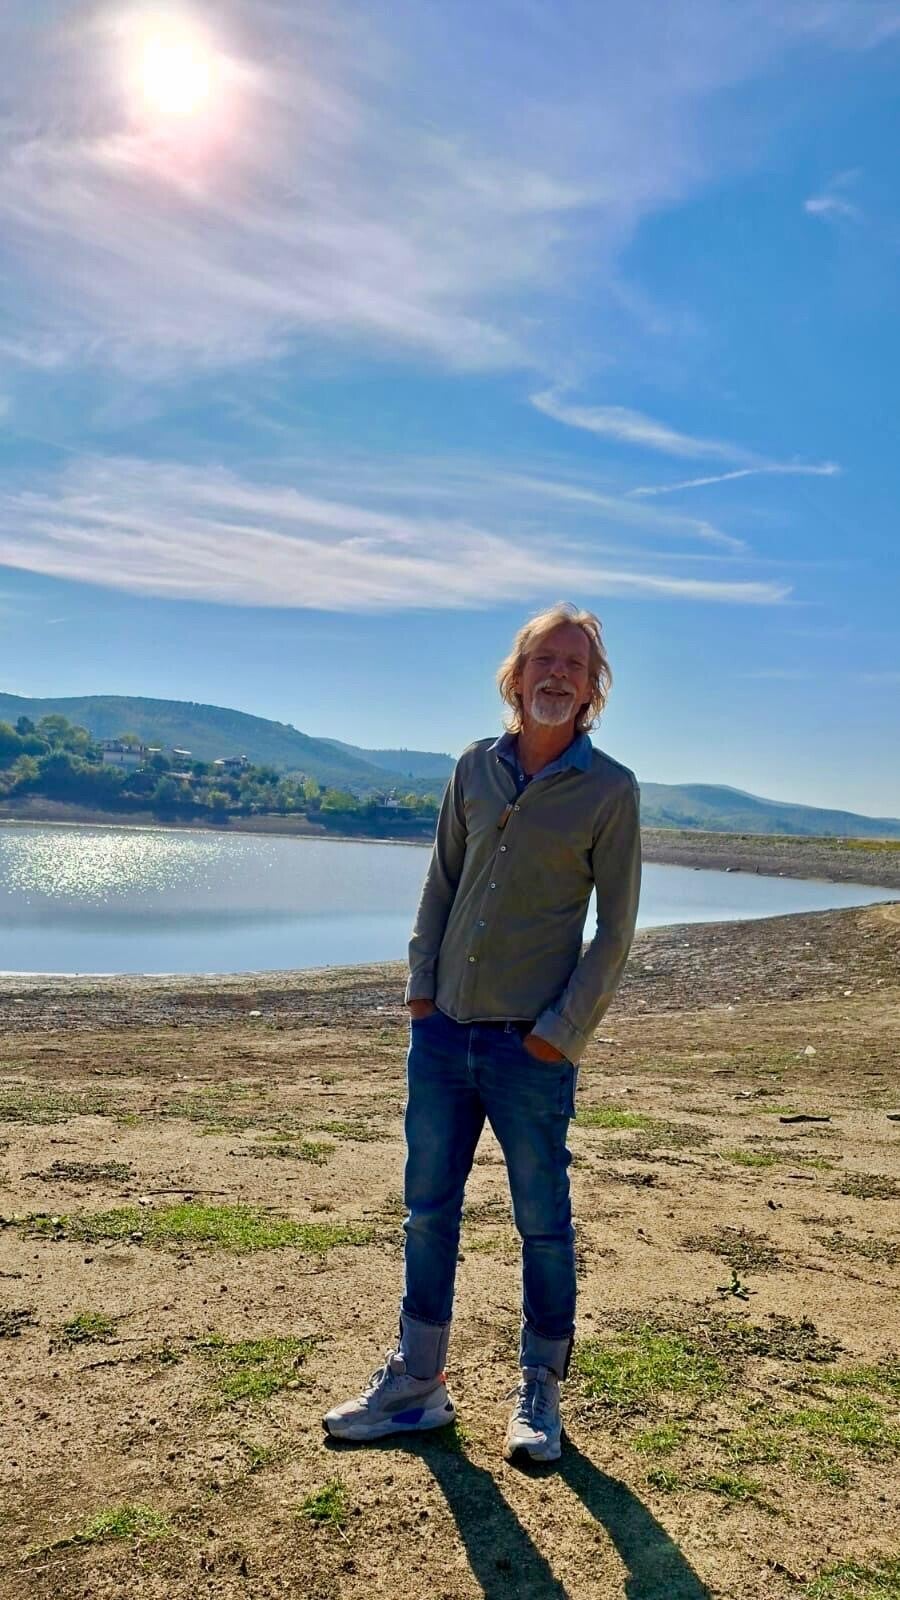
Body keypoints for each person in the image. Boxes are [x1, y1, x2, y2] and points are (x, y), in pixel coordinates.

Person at [323, 602, 641, 1462]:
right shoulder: (472, 768)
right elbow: (440, 884)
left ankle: (540, 1390)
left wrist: (559, 1034)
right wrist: (421, 992)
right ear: (516, 675)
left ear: (593, 687)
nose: (557, 675)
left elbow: (615, 932)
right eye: (544, 660)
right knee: (428, 1211)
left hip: (530, 1049)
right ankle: (417, 1383)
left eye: (575, 664)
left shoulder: (610, 791)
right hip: (443, 1037)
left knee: (542, 1222)